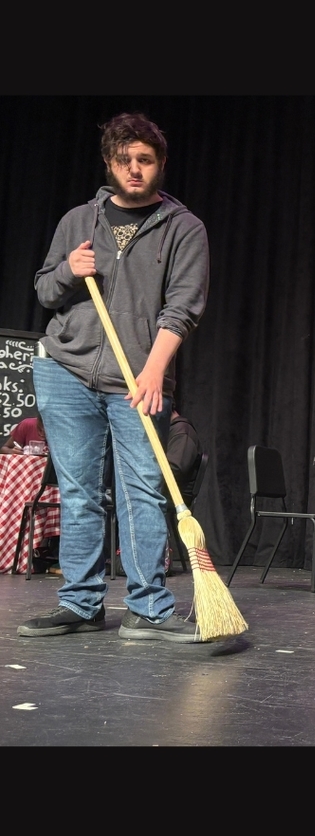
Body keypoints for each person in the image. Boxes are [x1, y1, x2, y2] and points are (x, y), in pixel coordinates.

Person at [18, 112, 209, 643]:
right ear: (109, 163)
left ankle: (148, 608)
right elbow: (43, 291)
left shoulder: (183, 228)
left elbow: (184, 308)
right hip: (66, 370)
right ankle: (80, 604)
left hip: (139, 378)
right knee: (79, 493)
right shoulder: (78, 221)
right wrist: (66, 272)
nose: (134, 170)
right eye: (124, 160)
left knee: (142, 491)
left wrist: (153, 371)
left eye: (145, 160)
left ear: (160, 164)